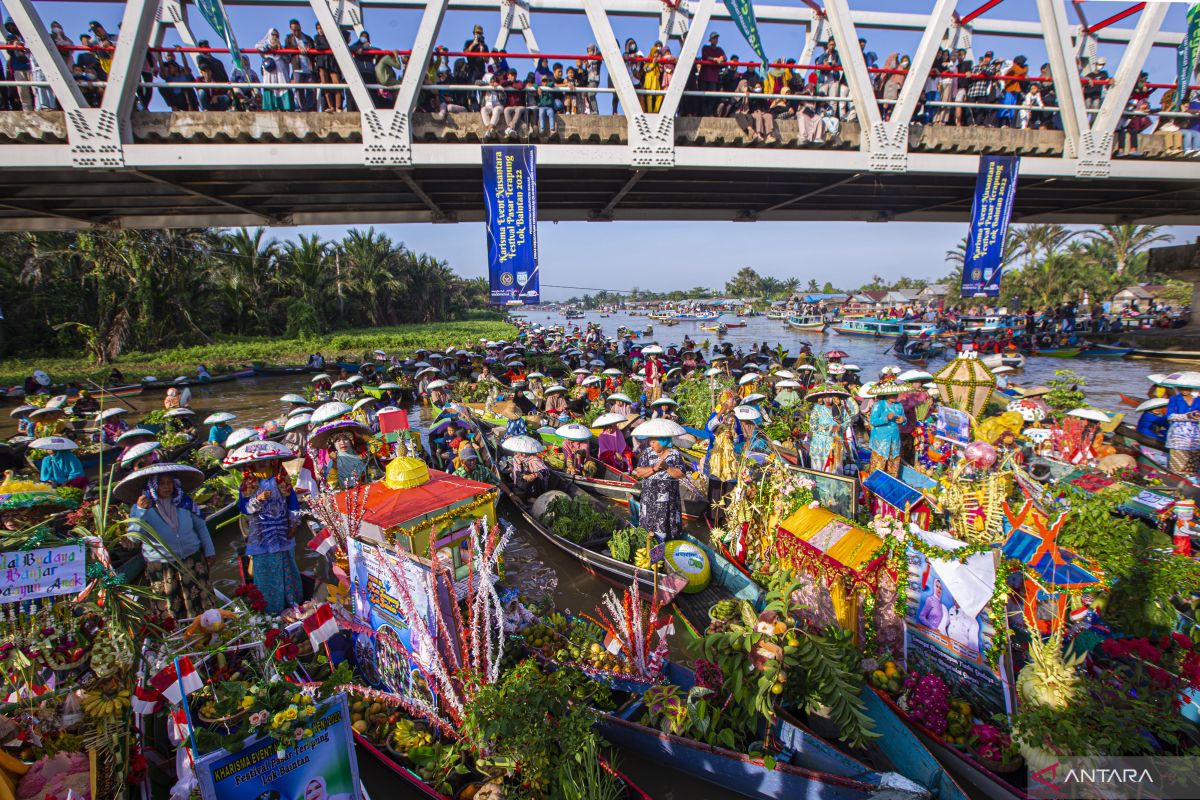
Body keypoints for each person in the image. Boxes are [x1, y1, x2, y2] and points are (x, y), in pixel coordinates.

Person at [129, 468, 214, 619]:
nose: (167, 487)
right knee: (170, 608)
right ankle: (176, 637)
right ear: (154, 487)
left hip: (192, 559)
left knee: (200, 603)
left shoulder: (184, 501)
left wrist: (209, 551)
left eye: (169, 483)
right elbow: (135, 538)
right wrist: (141, 512)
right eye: (162, 484)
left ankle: (207, 635)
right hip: (163, 565)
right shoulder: (141, 509)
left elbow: (200, 526)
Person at [236, 450, 303, 614]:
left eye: (266, 460)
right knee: (266, 568)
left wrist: (293, 524)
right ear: (251, 463)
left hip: (282, 530)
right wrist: (257, 500)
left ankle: (292, 602)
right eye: (258, 460)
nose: (262, 463)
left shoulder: (281, 479)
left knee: (286, 563)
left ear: (273, 461)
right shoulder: (248, 483)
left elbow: (293, 503)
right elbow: (244, 508)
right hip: (261, 533)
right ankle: (270, 608)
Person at [632, 423, 686, 542]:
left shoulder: (675, 454)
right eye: (650, 442)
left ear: (662, 441)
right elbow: (639, 472)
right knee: (649, 528)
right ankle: (650, 546)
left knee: (668, 528)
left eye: (653, 442)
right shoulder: (647, 453)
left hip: (668, 502)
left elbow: (681, 474)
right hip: (650, 500)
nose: (651, 445)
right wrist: (654, 468)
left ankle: (667, 547)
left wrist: (667, 467)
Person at [806, 384, 853, 474]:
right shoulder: (817, 408)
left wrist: (841, 427)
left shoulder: (841, 409)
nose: (827, 399)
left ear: (834, 397)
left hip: (835, 441)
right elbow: (812, 426)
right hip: (820, 443)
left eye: (830, 397)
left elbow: (848, 420)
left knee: (835, 468)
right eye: (825, 397)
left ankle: (835, 485)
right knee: (819, 467)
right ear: (821, 398)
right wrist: (829, 428)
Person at [868, 381, 905, 476]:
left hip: (894, 439)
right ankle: (873, 487)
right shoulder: (878, 405)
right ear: (886, 394)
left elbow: (904, 419)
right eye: (892, 393)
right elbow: (873, 421)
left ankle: (891, 485)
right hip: (881, 441)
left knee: (893, 466)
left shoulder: (899, 405)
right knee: (878, 466)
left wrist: (903, 420)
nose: (894, 395)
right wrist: (886, 418)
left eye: (896, 393)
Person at [1166, 380, 1200, 476]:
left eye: (1186, 387)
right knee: (1177, 466)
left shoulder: (1198, 400)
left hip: (1195, 436)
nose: (1184, 390)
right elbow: (1170, 416)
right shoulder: (1174, 399)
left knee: (1193, 466)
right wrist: (1187, 416)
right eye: (1181, 388)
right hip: (1178, 435)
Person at [257, 28, 295, 111]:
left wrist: (280, 49)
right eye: (273, 34)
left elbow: (288, 59)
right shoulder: (264, 45)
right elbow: (258, 46)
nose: (275, 37)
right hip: (270, 72)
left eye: (276, 35)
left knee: (283, 86)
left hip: (281, 71)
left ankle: (285, 106)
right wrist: (270, 47)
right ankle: (270, 106)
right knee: (270, 86)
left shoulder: (281, 47)